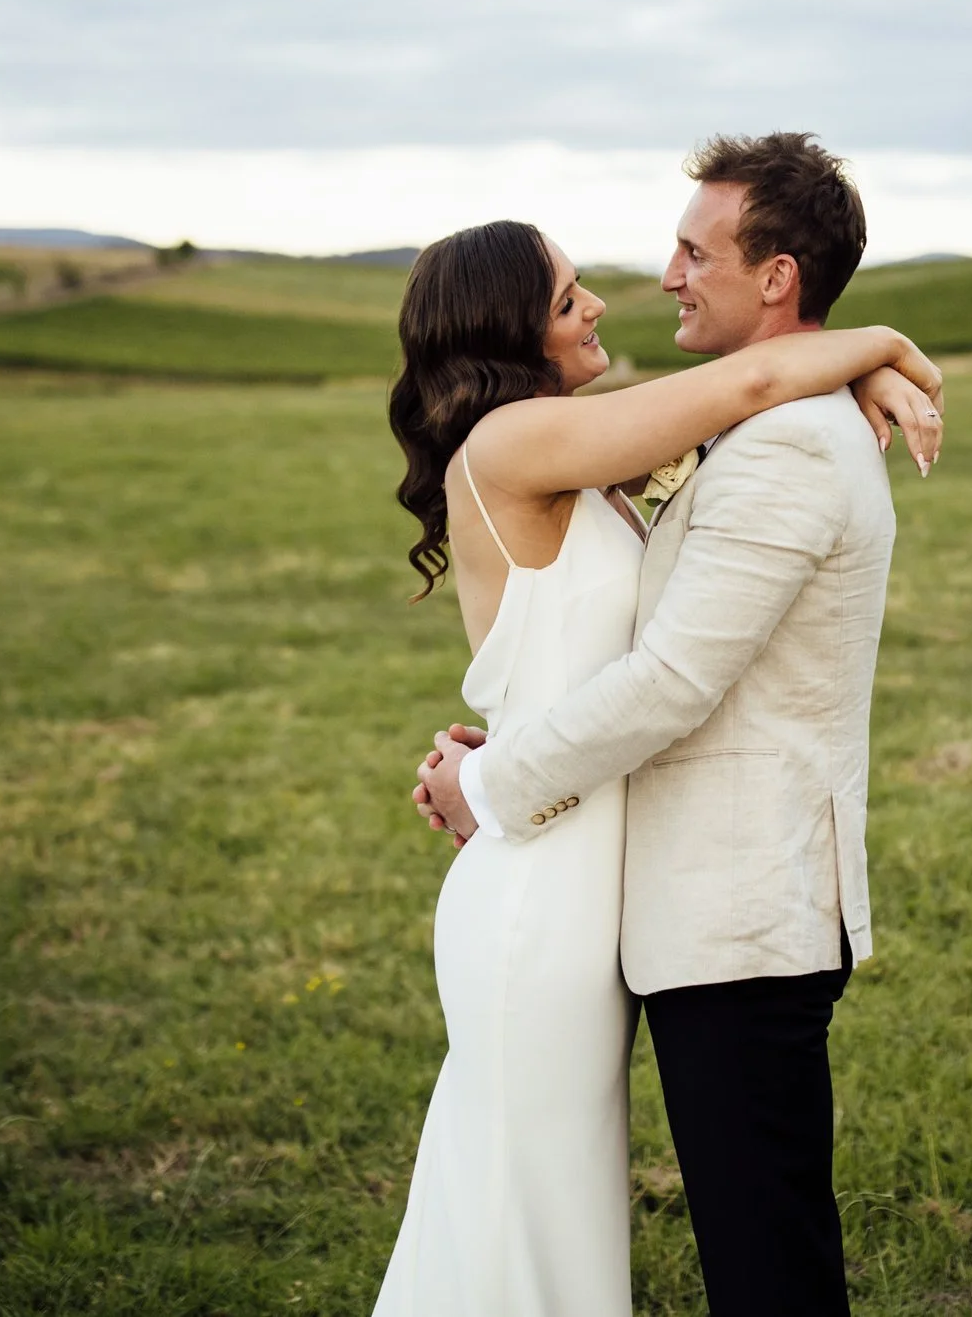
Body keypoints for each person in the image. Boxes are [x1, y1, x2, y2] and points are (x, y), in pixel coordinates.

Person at [396, 132, 924, 1317]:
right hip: (563, 884)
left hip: (697, 891)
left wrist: (864, 365)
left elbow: (665, 669)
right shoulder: (532, 445)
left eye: (694, 249)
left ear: (775, 275)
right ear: (509, 328)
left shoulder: (733, 438)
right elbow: (735, 396)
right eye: (568, 293)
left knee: (626, 1219)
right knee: (519, 1198)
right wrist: (877, 350)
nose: (645, 284)